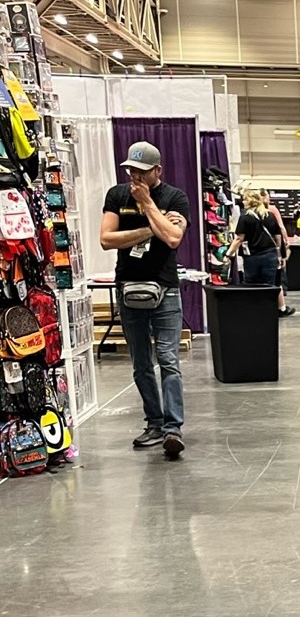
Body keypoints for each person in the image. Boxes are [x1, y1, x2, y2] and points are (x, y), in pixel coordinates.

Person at [100, 141, 190, 459]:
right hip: (128, 288)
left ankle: (172, 428)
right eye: (131, 171)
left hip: (164, 289)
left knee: (168, 360)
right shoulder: (116, 195)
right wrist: (148, 230)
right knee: (141, 363)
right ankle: (154, 422)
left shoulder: (175, 197)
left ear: (157, 171)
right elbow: (106, 239)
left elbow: (174, 237)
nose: (135, 177)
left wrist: (148, 205)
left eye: (141, 171)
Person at [228, 190, 290, 310]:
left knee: (252, 285)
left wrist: (228, 254)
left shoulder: (245, 218)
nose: (243, 202)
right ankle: (269, 311)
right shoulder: (269, 216)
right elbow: (278, 237)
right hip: (270, 256)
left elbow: (239, 239)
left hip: (252, 257)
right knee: (270, 285)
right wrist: (281, 255)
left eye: (245, 199)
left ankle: (254, 311)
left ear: (249, 201)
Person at [262, 189, 296, 318]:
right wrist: (286, 241)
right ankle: (281, 307)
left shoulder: (248, 213)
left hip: (255, 253)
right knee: (277, 280)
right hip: (271, 250)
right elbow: (280, 227)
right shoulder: (272, 210)